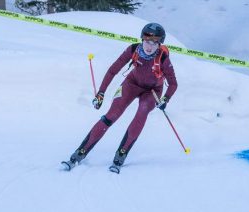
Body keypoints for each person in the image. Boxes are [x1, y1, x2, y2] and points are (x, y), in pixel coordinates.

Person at [65, 23, 178, 171]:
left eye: (154, 43)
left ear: (159, 44)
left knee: (142, 112)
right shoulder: (133, 49)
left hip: (152, 91)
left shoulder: (163, 59)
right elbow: (113, 70)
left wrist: (165, 99)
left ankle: (121, 154)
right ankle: (80, 152)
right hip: (131, 84)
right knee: (112, 115)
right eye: (146, 41)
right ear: (141, 39)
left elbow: (173, 83)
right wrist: (101, 93)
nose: (149, 46)